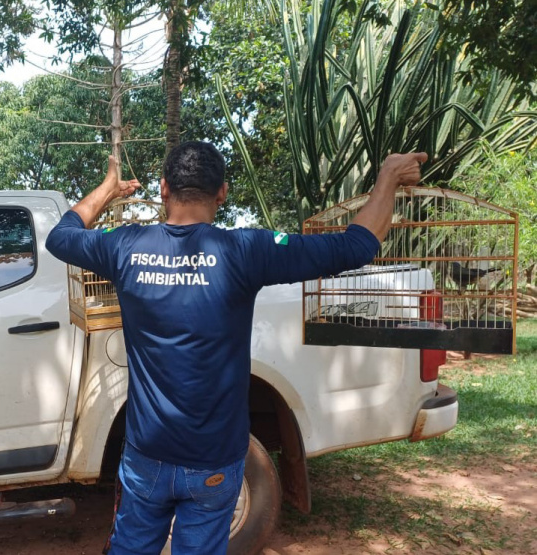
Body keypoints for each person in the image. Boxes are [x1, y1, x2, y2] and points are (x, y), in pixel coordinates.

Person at [45, 141, 427, 555]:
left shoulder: (124, 247)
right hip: (214, 460)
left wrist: (107, 188)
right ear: (222, 193)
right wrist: (387, 177)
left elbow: (62, 236)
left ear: (163, 189)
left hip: (147, 457)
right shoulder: (245, 251)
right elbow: (357, 245)